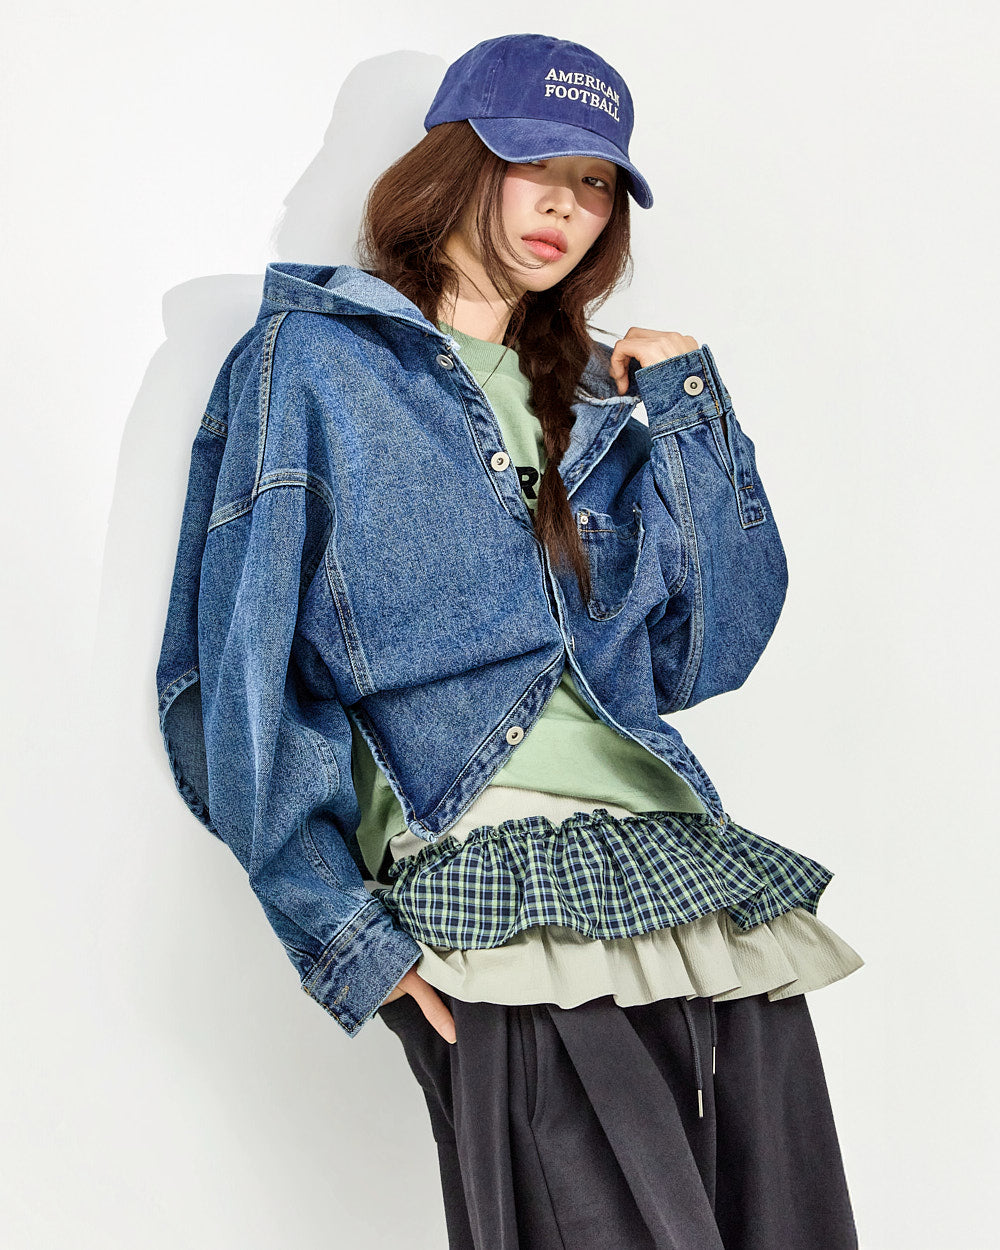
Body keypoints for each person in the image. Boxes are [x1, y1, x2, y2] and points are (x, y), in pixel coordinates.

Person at [155, 31, 864, 1250]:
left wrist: (691, 417)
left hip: (689, 886)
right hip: (491, 891)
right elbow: (234, 677)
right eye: (536, 163)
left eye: (596, 183)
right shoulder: (313, 366)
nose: (566, 206)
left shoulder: (598, 402)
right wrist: (345, 934)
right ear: (456, 162)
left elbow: (708, 652)